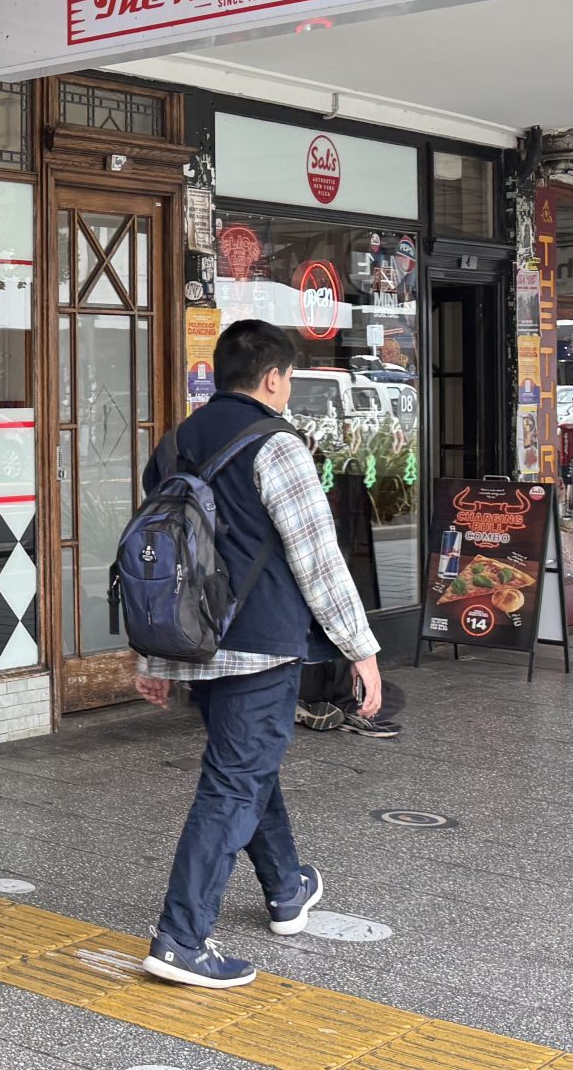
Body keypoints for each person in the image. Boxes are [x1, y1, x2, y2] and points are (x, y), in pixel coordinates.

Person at [135, 319, 383, 991]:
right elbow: (319, 559)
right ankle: (181, 937)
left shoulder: (176, 442)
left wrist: (154, 660)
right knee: (235, 780)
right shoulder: (278, 446)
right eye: (289, 378)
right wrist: (361, 650)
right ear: (274, 378)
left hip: (192, 643)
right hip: (259, 649)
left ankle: (287, 887)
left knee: (247, 768)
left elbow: (158, 555)